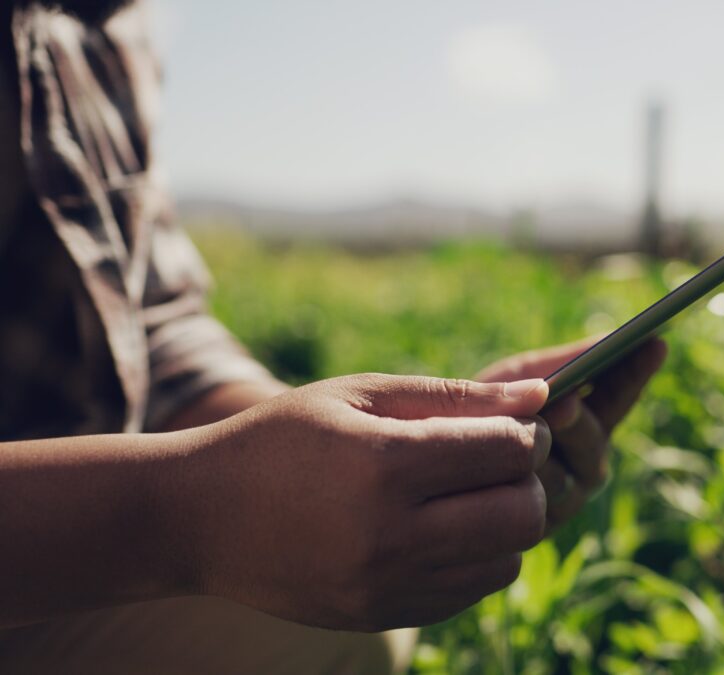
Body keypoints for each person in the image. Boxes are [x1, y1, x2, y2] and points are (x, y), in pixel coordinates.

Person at [0, 1, 666, 672]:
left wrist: (366, 459)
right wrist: (196, 510)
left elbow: (156, 327)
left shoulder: (99, 24)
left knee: (342, 630)